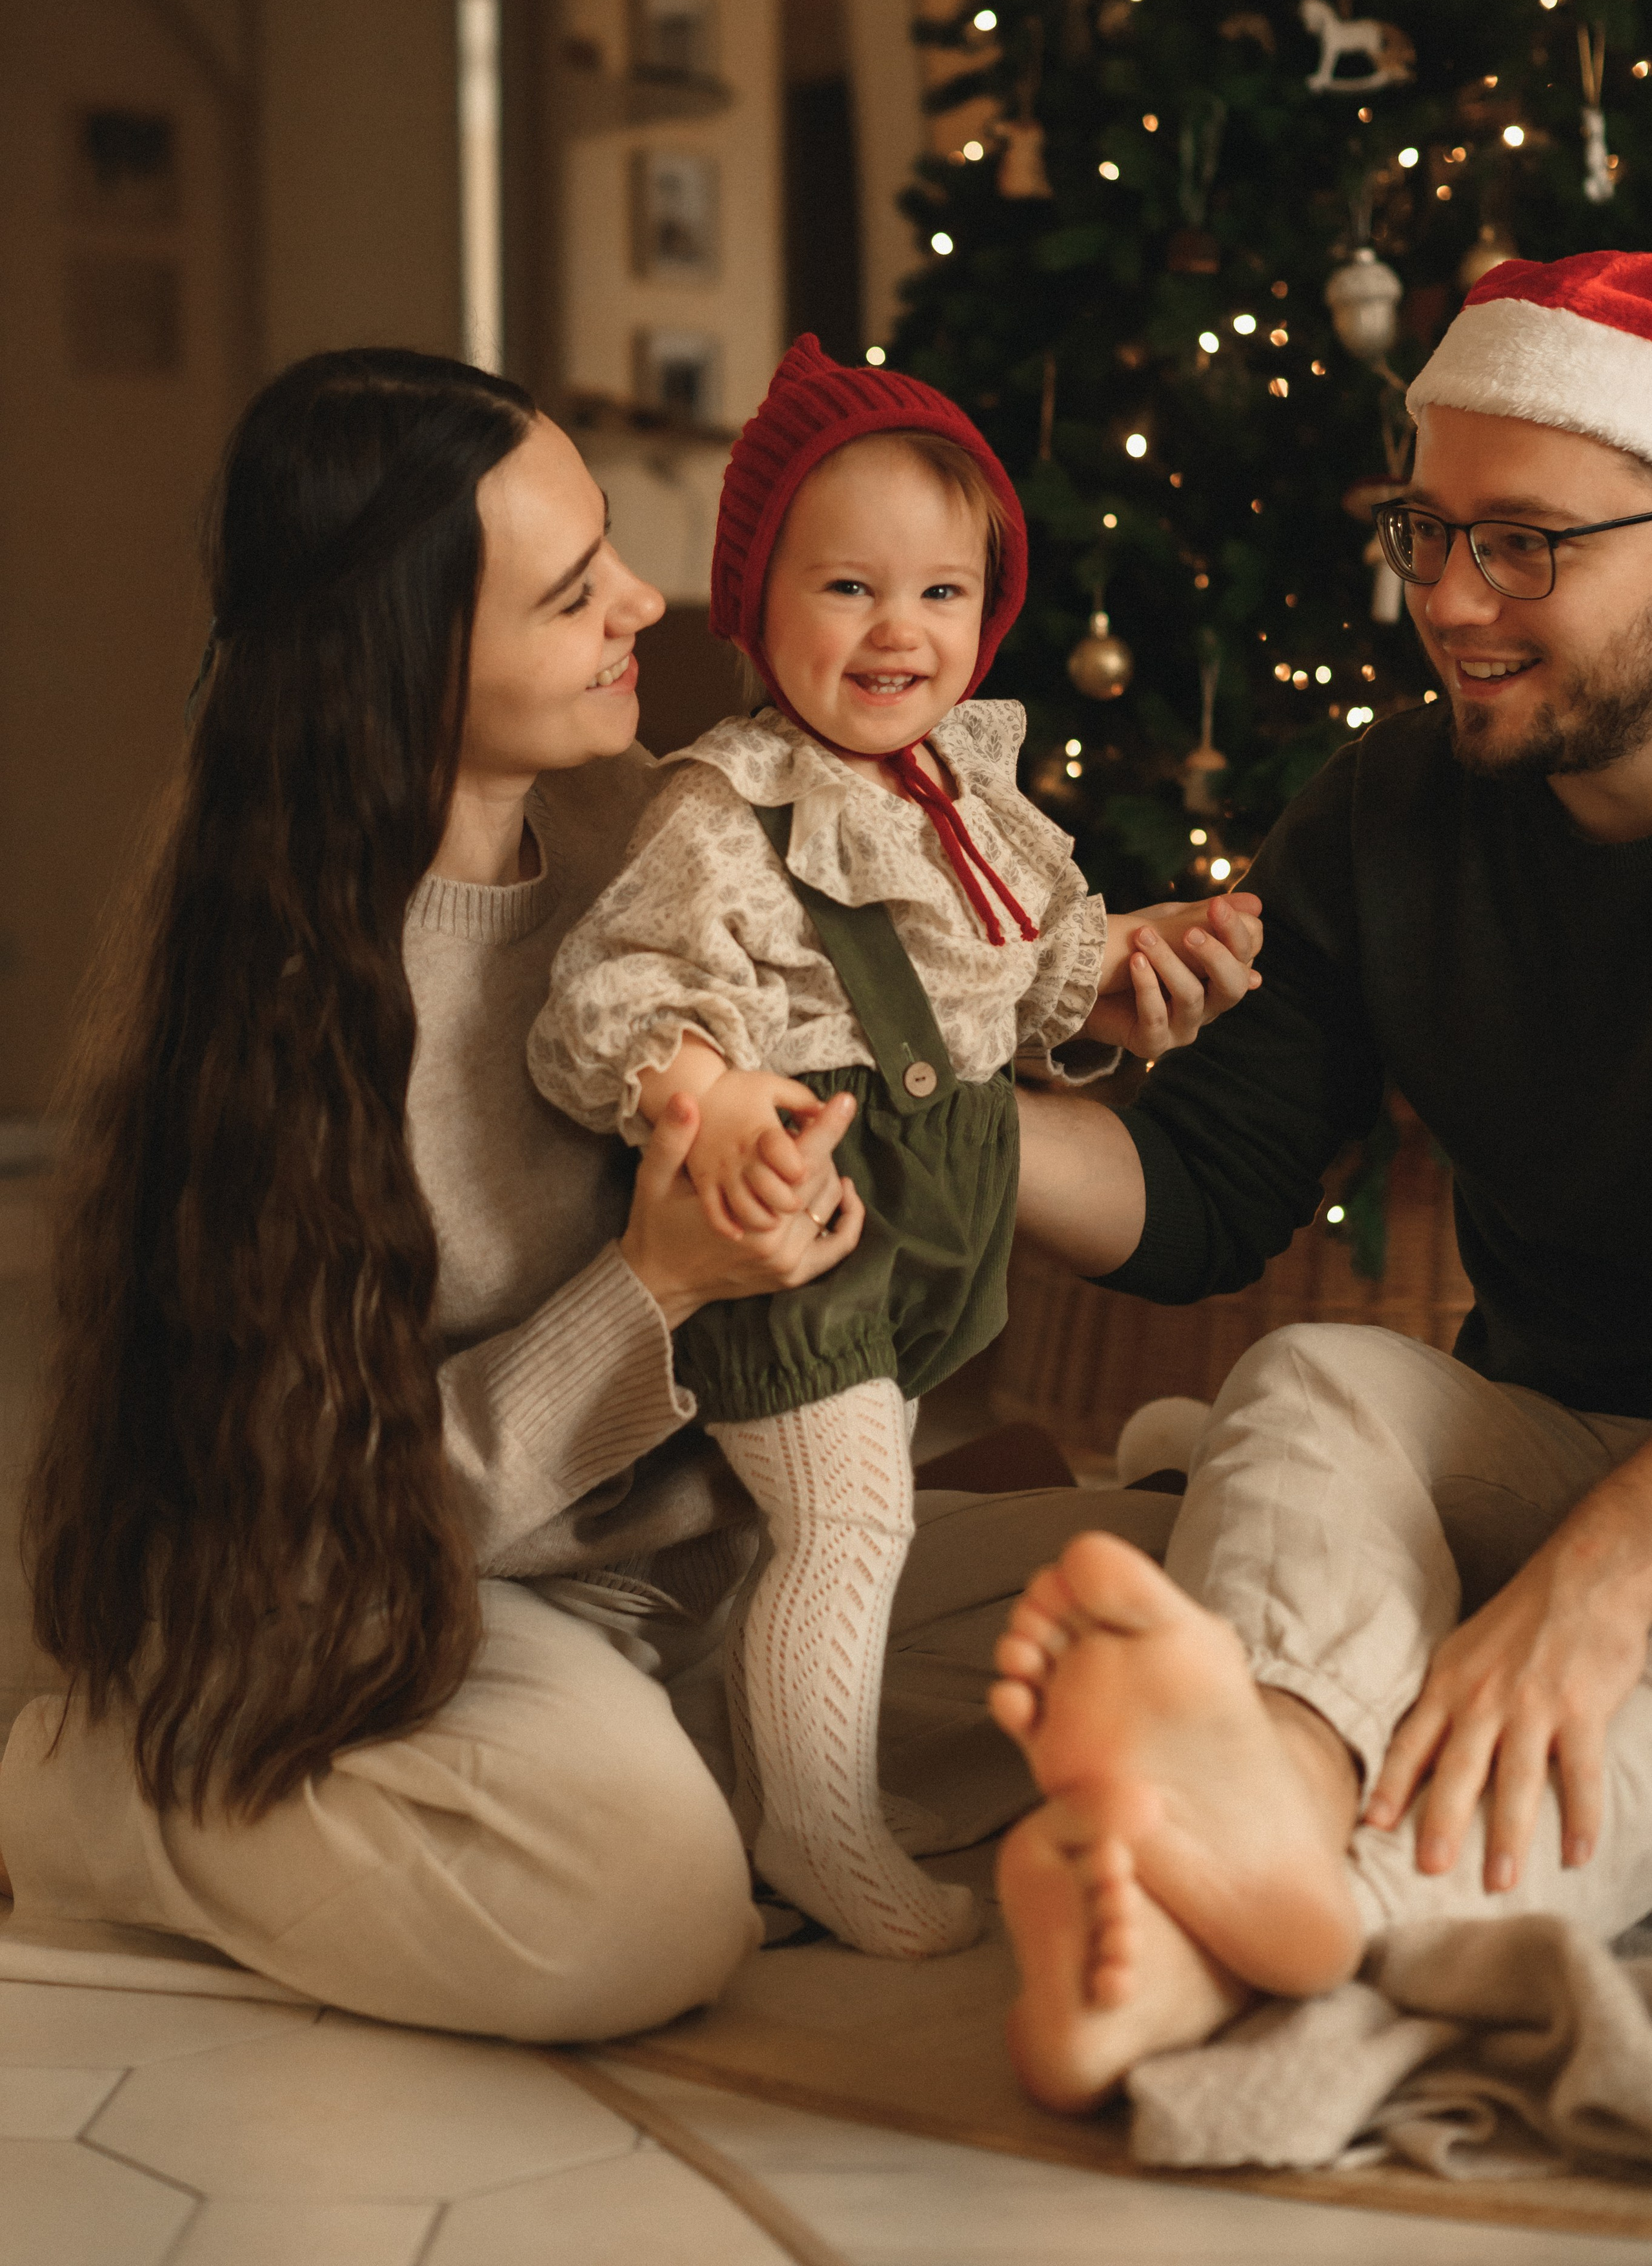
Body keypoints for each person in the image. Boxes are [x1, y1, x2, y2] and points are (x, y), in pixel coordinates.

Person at [0, 345, 1255, 2041]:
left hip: (714, 1562)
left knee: (1199, 1596)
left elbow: (918, 1026)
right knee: (642, 1922)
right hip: (441, 1603)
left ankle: (730, 1782)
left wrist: (1092, 992)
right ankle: (107, 1794)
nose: (649, 605)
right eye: (576, 590)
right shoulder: (292, 1016)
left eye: (617, 554)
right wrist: (653, 1286)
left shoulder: (662, 829)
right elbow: (341, 1540)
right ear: (410, 651)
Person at [987, 248, 1652, 2112]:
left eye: (1527, 543)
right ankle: (1260, 1789)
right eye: (1427, 529)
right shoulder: (1392, 815)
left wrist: (1607, 1585)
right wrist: (929, 1118)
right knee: (1312, 1382)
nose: (1447, 598)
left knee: (1602, 1719)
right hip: (1550, 1429)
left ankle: (1218, 1949)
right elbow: (1205, 1193)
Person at [530, 336, 1264, 1959]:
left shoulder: (963, 802)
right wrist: (703, 1091)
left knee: (830, 1530)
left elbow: (1023, 977)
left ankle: (760, 1763)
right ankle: (819, 1833)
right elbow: (615, 992)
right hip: (786, 1232)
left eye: (941, 594)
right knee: (846, 1524)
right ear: (755, 600)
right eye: (848, 585)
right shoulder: (723, 809)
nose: (897, 632)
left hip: (920, 1239)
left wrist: (1128, 978)